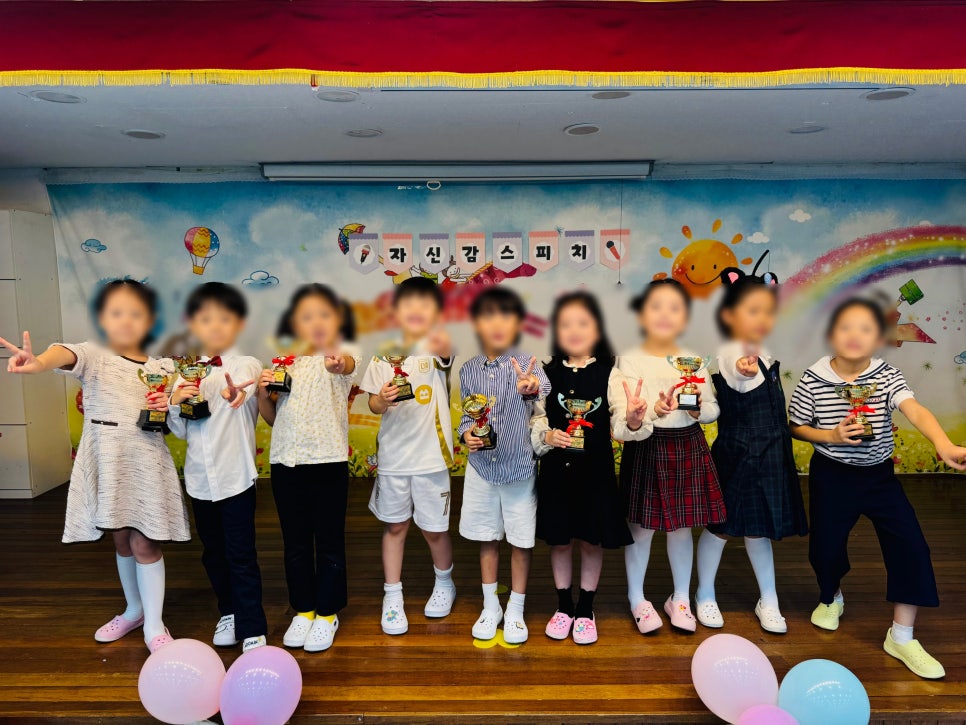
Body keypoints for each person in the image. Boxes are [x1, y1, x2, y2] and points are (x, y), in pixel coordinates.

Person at [1, 279, 188, 653]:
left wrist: (176, 401)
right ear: (103, 319)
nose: (126, 320)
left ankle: (154, 624)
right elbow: (64, 353)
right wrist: (38, 363)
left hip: (146, 460)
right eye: (116, 312)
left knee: (145, 540)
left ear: (150, 320)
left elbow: (174, 419)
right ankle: (134, 610)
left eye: (135, 313)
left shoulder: (163, 368)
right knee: (120, 537)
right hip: (107, 458)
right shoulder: (96, 354)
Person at [789, 298, 966, 679]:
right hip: (832, 475)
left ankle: (901, 636)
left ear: (879, 338)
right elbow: (796, 426)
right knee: (825, 549)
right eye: (846, 327)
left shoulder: (887, 374)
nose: (855, 335)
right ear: (831, 334)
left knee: (911, 546)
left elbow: (914, 408)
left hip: (879, 477)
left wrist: (943, 443)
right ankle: (831, 596)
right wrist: (831, 436)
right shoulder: (813, 378)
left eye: (866, 329)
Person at [694, 264, 808, 634]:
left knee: (758, 530)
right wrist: (744, 367)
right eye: (751, 310)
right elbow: (739, 369)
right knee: (721, 528)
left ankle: (768, 599)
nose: (760, 318)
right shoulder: (732, 353)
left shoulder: (765, 352)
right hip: (739, 453)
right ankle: (704, 593)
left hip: (770, 453)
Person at [611, 278, 725, 635]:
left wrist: (697, 410)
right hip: (647, 446)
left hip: (687, 443)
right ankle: (637, 599)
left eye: (674, 308)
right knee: (641, 529)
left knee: (681, 528)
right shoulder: (630, 359)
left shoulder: (693, 360)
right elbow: (622, 418)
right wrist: (646, 413)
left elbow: (712, 408)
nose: (664, 314)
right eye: (656, 306)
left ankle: (680, 598)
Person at [258, 283, 360, 653]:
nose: (315, 322)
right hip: (286, 462)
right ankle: (303, 609)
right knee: (295, 542)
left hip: (327, 461)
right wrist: (262, 392)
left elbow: (346, 365)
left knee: (329, 542)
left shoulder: (342, 356)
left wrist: (338, 363)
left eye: (324, 315)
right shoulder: (285, 363)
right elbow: (272, 418)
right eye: (306, 316)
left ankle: (328, 613)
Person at [167, 282, 267, 653]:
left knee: (241, 553)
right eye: (206, 319)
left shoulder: (245, 364)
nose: (215, 327)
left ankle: (252, 624)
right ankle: (229, 611)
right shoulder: (185, 374)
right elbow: (180, 431)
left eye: (224, 319)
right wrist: (176, 402)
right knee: (213, 552)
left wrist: (235, 393)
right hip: (199, 480)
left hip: (235, 477)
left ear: (238, 324)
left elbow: (244, 389)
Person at [531, 291, 632, 645]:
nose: (574, 331)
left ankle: (586, 609)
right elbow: (536, 421)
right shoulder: (545, 375)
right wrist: (547, 435)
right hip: (557, 475)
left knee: (591, 541)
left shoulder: (610, 374)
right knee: (559, 542)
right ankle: (563, 607)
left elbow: (621, 422)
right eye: (566, 324)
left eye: (583, 323)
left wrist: (634, 418)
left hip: (595, 476)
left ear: (597, 330)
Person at [358, 276, 456, 635]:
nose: (415, 311)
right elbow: (372, 404)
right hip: (394, 459)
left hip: (431, 459)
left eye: (424, 305)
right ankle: (392, 595)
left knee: (434, 531)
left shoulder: (436, 347)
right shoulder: (384, 354)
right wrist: (382, 399)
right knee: (395, 527)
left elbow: (446, 354)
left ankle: (444, 583)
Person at [458, 286, 551, 644]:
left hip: (518, 468)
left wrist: (530, 385)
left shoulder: (527, 363)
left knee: (521, 541)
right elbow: (468, 415)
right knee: (487, 538)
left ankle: (515, 608)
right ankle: (490, 606)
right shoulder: (468, 370)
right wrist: (467, 433)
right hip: (482, 468)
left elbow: (541, 388)